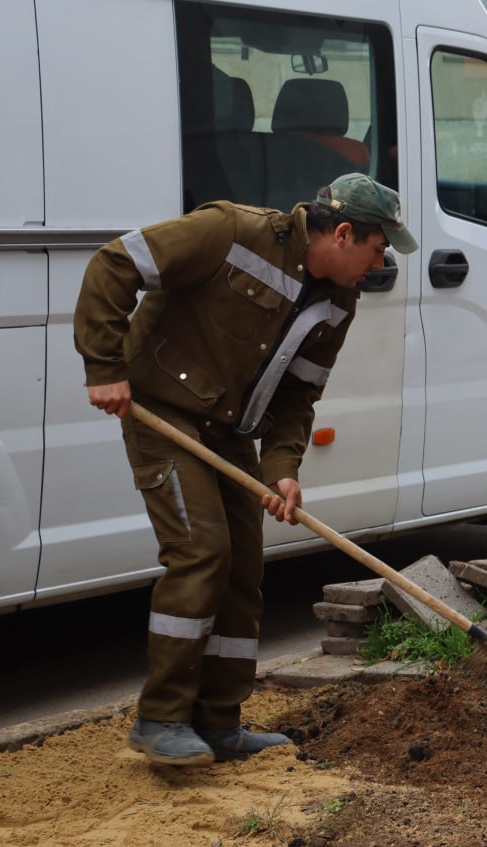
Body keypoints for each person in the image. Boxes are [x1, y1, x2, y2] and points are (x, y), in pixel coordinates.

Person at [74, 173, 417, 766]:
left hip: (229, 431)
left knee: (241, 565)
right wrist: (104, 366)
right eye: (378, 247)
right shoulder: (231, 231)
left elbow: (297, 399)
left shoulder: (339, 303)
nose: (381, 263)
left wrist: (281, 468)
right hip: (163, 412)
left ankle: (219, 724)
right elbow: (115, 263)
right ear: (343, 233)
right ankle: (161, 718)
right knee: (201, 550)